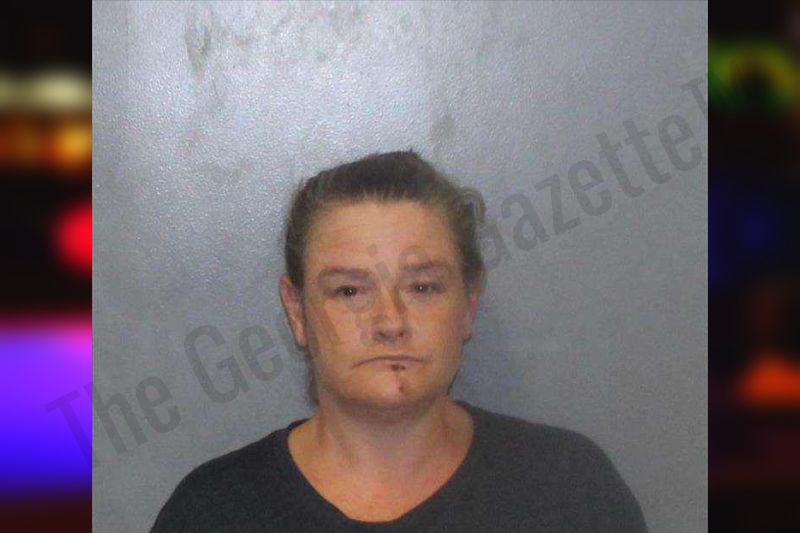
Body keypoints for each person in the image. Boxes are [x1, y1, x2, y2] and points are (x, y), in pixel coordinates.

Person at [150, 150, 648, 532]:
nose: (390, 321)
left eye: (422, 287)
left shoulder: (570, 492)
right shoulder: (212, 513)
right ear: (297, 311)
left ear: (468, 304)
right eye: (349, 291)